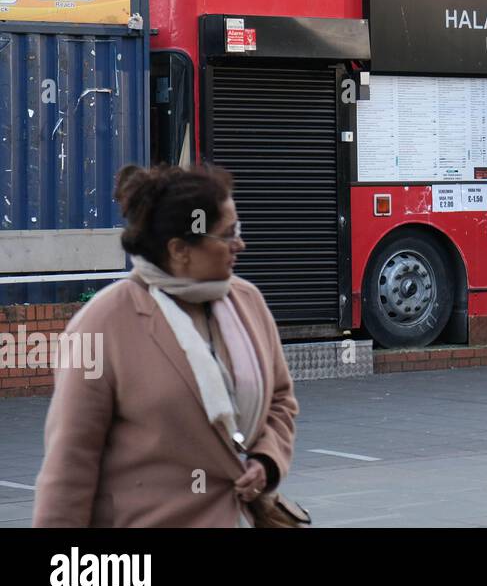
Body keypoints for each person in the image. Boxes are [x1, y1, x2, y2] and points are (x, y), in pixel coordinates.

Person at [33, 164, 297, 527]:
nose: (241, 244)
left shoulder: (247, 301)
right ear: (180, 249)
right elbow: (70, 463)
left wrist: (266, 460)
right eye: (228, 234)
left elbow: (280, 400)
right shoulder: (101, 324)